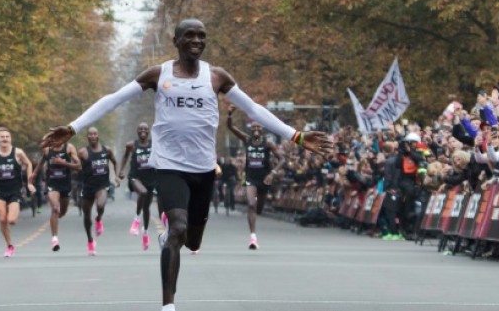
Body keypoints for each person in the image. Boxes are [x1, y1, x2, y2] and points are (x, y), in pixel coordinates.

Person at [40, 18, 333, 311]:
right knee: (177, 227)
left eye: (201, 36)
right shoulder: (159, 74)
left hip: (203, 169)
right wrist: (74, 127)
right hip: (169, 166)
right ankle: (168, 305)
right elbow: (114, 100)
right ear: (176, 41)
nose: (196, 40)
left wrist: (295, 135)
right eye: (189, 35)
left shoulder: (216, 77)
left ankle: (172, 239)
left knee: (192, 241)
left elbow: (253, 108)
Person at [226, 104, 285, 250]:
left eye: (258, 127)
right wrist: (229, 115)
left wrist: (273, 173)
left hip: (265, 179)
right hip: (251, 178)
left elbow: (282, 159)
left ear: (262, 129)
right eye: (253, 127)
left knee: (258, 209)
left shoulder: (268, 144)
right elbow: (231, 127)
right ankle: (253, 237)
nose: (256, 130)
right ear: (250, 130)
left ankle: (255, 219)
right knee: (251, 205)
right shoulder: (247, 140)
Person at [0, 128, 35, 257]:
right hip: (0, 191)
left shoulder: (18, 152)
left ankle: (10, 236)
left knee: (11, 220)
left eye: (7, 136)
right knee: (2, 219)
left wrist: (29, 182)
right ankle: (9, 246)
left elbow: (28, 163)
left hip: (14, 191)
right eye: (2, 137)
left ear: (10, 139)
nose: (5, 139)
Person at [34, 136, 81, 252]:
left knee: (62, 212)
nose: (57, 140)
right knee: (55, 208)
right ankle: (54, 239)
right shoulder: (47, 150)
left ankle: (56, 218)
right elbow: (40, 164)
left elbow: (78, 166)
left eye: (59, 136)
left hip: (65, 184)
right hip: (52, 184)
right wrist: (33, 175)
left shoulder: (69, 148)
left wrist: (63, 163)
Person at [118, 122, 157, 251]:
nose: (143, 131)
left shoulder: (154, 144)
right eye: (140, 129)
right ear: (137, 131)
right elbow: (124, 158)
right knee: (143, 193)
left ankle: (145, 233)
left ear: (149, 131)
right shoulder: (131, 145)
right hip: (135, 177)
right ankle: (136, 220)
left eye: (145, 129)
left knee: (147, 208)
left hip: (150, 179)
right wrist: (120, 172)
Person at [78, 127, 117, 256]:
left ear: (98, 136)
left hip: (102, 185)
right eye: (90, 134)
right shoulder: (83, 152)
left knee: (100, 205)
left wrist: (117, 175)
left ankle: (99, 219)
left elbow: (115, 162)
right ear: (87, 137)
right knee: (86, 216)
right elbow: (76, 166)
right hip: (88, 186)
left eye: (95, 134)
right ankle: (90, 241)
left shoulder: (107, 150)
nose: (93, 136)